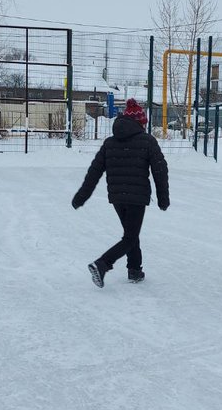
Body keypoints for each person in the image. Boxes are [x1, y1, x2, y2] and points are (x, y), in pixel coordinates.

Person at [72, 98, 169, 287]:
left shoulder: (110, 143)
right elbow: (160, 170)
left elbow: (95, 171)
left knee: (131, 232)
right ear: (140, 122)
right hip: (137, 197)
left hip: (116, 197)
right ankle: (102, 264)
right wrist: (163, 198)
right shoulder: (147, 141)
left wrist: (81, 196)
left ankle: (134, 269)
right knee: (130, 236)